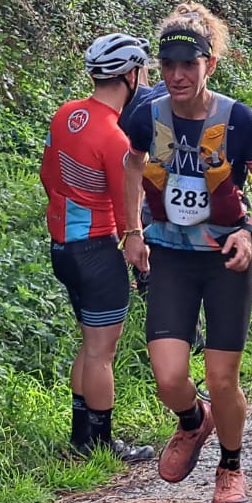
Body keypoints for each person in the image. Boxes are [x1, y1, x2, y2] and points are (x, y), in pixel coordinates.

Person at [122, 3, 252, 503]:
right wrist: (132, 231)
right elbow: (131, 164)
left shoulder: (236, 119)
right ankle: (195, 421)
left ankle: (230, 465)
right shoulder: (147, 113)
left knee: (221, 376)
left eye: (187, 65)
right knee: (169, 376)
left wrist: (250, 231)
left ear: (208, 65)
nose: (176, 75)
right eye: (167, 65)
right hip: (169, 253)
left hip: (224, 258)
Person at [40, 33, 157, 463]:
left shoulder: (65, 114)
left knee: (88, 345)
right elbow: (127, 199)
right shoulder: (116, 138)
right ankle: (102, 443)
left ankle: (80, 436)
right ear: (130, 75)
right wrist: (134, 239)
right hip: (96, 249)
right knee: (102, 351)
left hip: (62, 248)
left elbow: (47, 174)